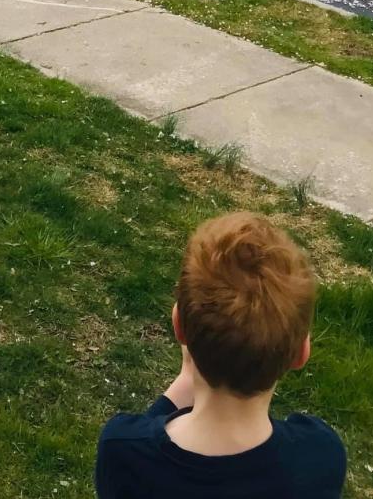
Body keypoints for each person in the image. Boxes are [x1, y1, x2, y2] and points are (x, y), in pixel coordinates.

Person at [95, 212, 346, 499]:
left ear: (178, 325)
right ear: (301, 353)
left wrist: (186, 379)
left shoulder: (124, 451)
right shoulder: (319, 457)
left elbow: (146, 437)